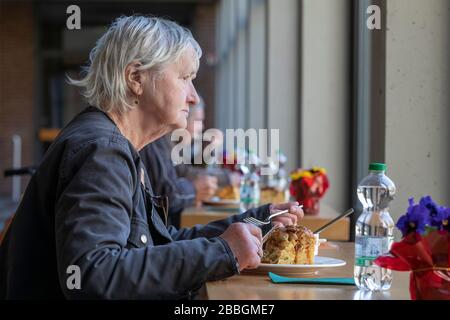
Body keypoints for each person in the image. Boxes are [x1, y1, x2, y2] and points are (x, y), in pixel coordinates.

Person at [0, 15, 303, 299]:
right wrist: (222, 252)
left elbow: (159, 241)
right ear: (135, 78)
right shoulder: (101, 151)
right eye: (185, 78)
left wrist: (259, 221)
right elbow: (94, 275)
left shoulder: (111, 143)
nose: (194, 96)